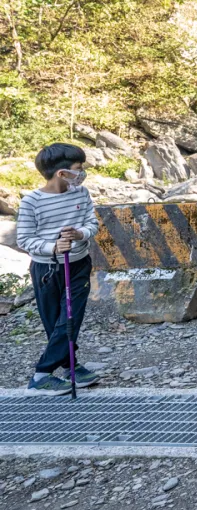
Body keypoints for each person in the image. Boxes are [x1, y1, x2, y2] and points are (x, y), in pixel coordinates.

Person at [16, 143, 101, 395]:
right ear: (62, 174)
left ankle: (42, 373)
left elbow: (91, 223)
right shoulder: (32, 201)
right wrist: (53, 247)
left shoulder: (81, 194)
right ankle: (68, 365)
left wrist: (79, 233)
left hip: (78, 264)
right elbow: (24, 239)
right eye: (78, 169)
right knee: (53, 320)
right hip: (46, 270)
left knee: (70, 317)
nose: (82, 173)